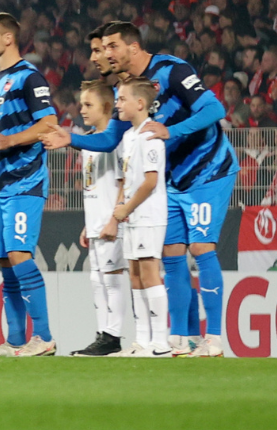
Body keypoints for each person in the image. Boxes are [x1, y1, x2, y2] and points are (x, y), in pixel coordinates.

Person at [55, 19, 238, 358]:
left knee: (199, 248)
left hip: (208, 170)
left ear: (133, 48)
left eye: (112, 47)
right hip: (171, 179)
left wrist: (173, 130)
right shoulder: (127, 89)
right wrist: (72, 139)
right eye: (103, 48)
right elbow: (111, 139)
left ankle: (213, 338)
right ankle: (182, 338)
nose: (106, 54)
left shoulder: (171, 69)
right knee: (170, 256)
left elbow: (215, 108)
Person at [0, 13, 59, 356]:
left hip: (26, 180)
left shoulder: (29, 78)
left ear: (8, 38)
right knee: (6, 261)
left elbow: (49, 124)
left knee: (21, 255)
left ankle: (44, 336)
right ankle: (15, 340)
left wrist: (8, 142)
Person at [107, 79, 171, 357]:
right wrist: (118, 210)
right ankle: (142, 340)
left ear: (140, 103)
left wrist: (127, 208)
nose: (117, 104)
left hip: (148, 214)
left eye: (122, 99)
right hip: (132, 216)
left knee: (149, 272)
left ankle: (161, 341)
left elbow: (150, 182)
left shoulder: (150, 136)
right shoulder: (128, 137)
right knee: (134, 275)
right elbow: (126, 179)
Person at [70, 76, 128, 358]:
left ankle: (113, 336)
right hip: (94, 222)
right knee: (97, 279)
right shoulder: (89, 141)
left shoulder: (116, 141)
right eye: (81, 104)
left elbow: (122, 182)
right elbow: (94, 185)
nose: (82, 109)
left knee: (112, 277)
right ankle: (102, 334)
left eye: (88, 104)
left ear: (106, 106)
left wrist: (114, 220)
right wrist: (86, 223)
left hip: (111, 222)